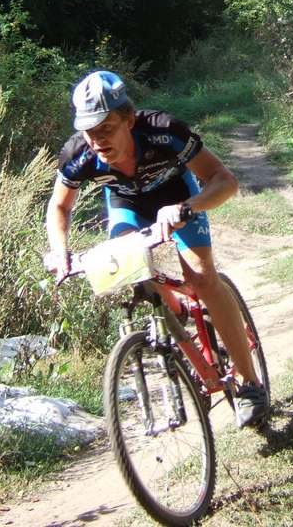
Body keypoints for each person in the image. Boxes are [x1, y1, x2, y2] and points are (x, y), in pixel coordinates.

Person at [46, 70, 268, 427]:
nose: (97, 140)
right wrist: (60, 251)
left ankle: (248, 383)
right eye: (89, 131)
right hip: (126, 203)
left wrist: (187, 208)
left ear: (129, 119)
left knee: (201, 277)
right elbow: (59, 206)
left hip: (177, 195)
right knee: (127, 268)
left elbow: (224, 181)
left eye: (106, 128)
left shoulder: (163, 131)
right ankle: (175, 310)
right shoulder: (78, 154)